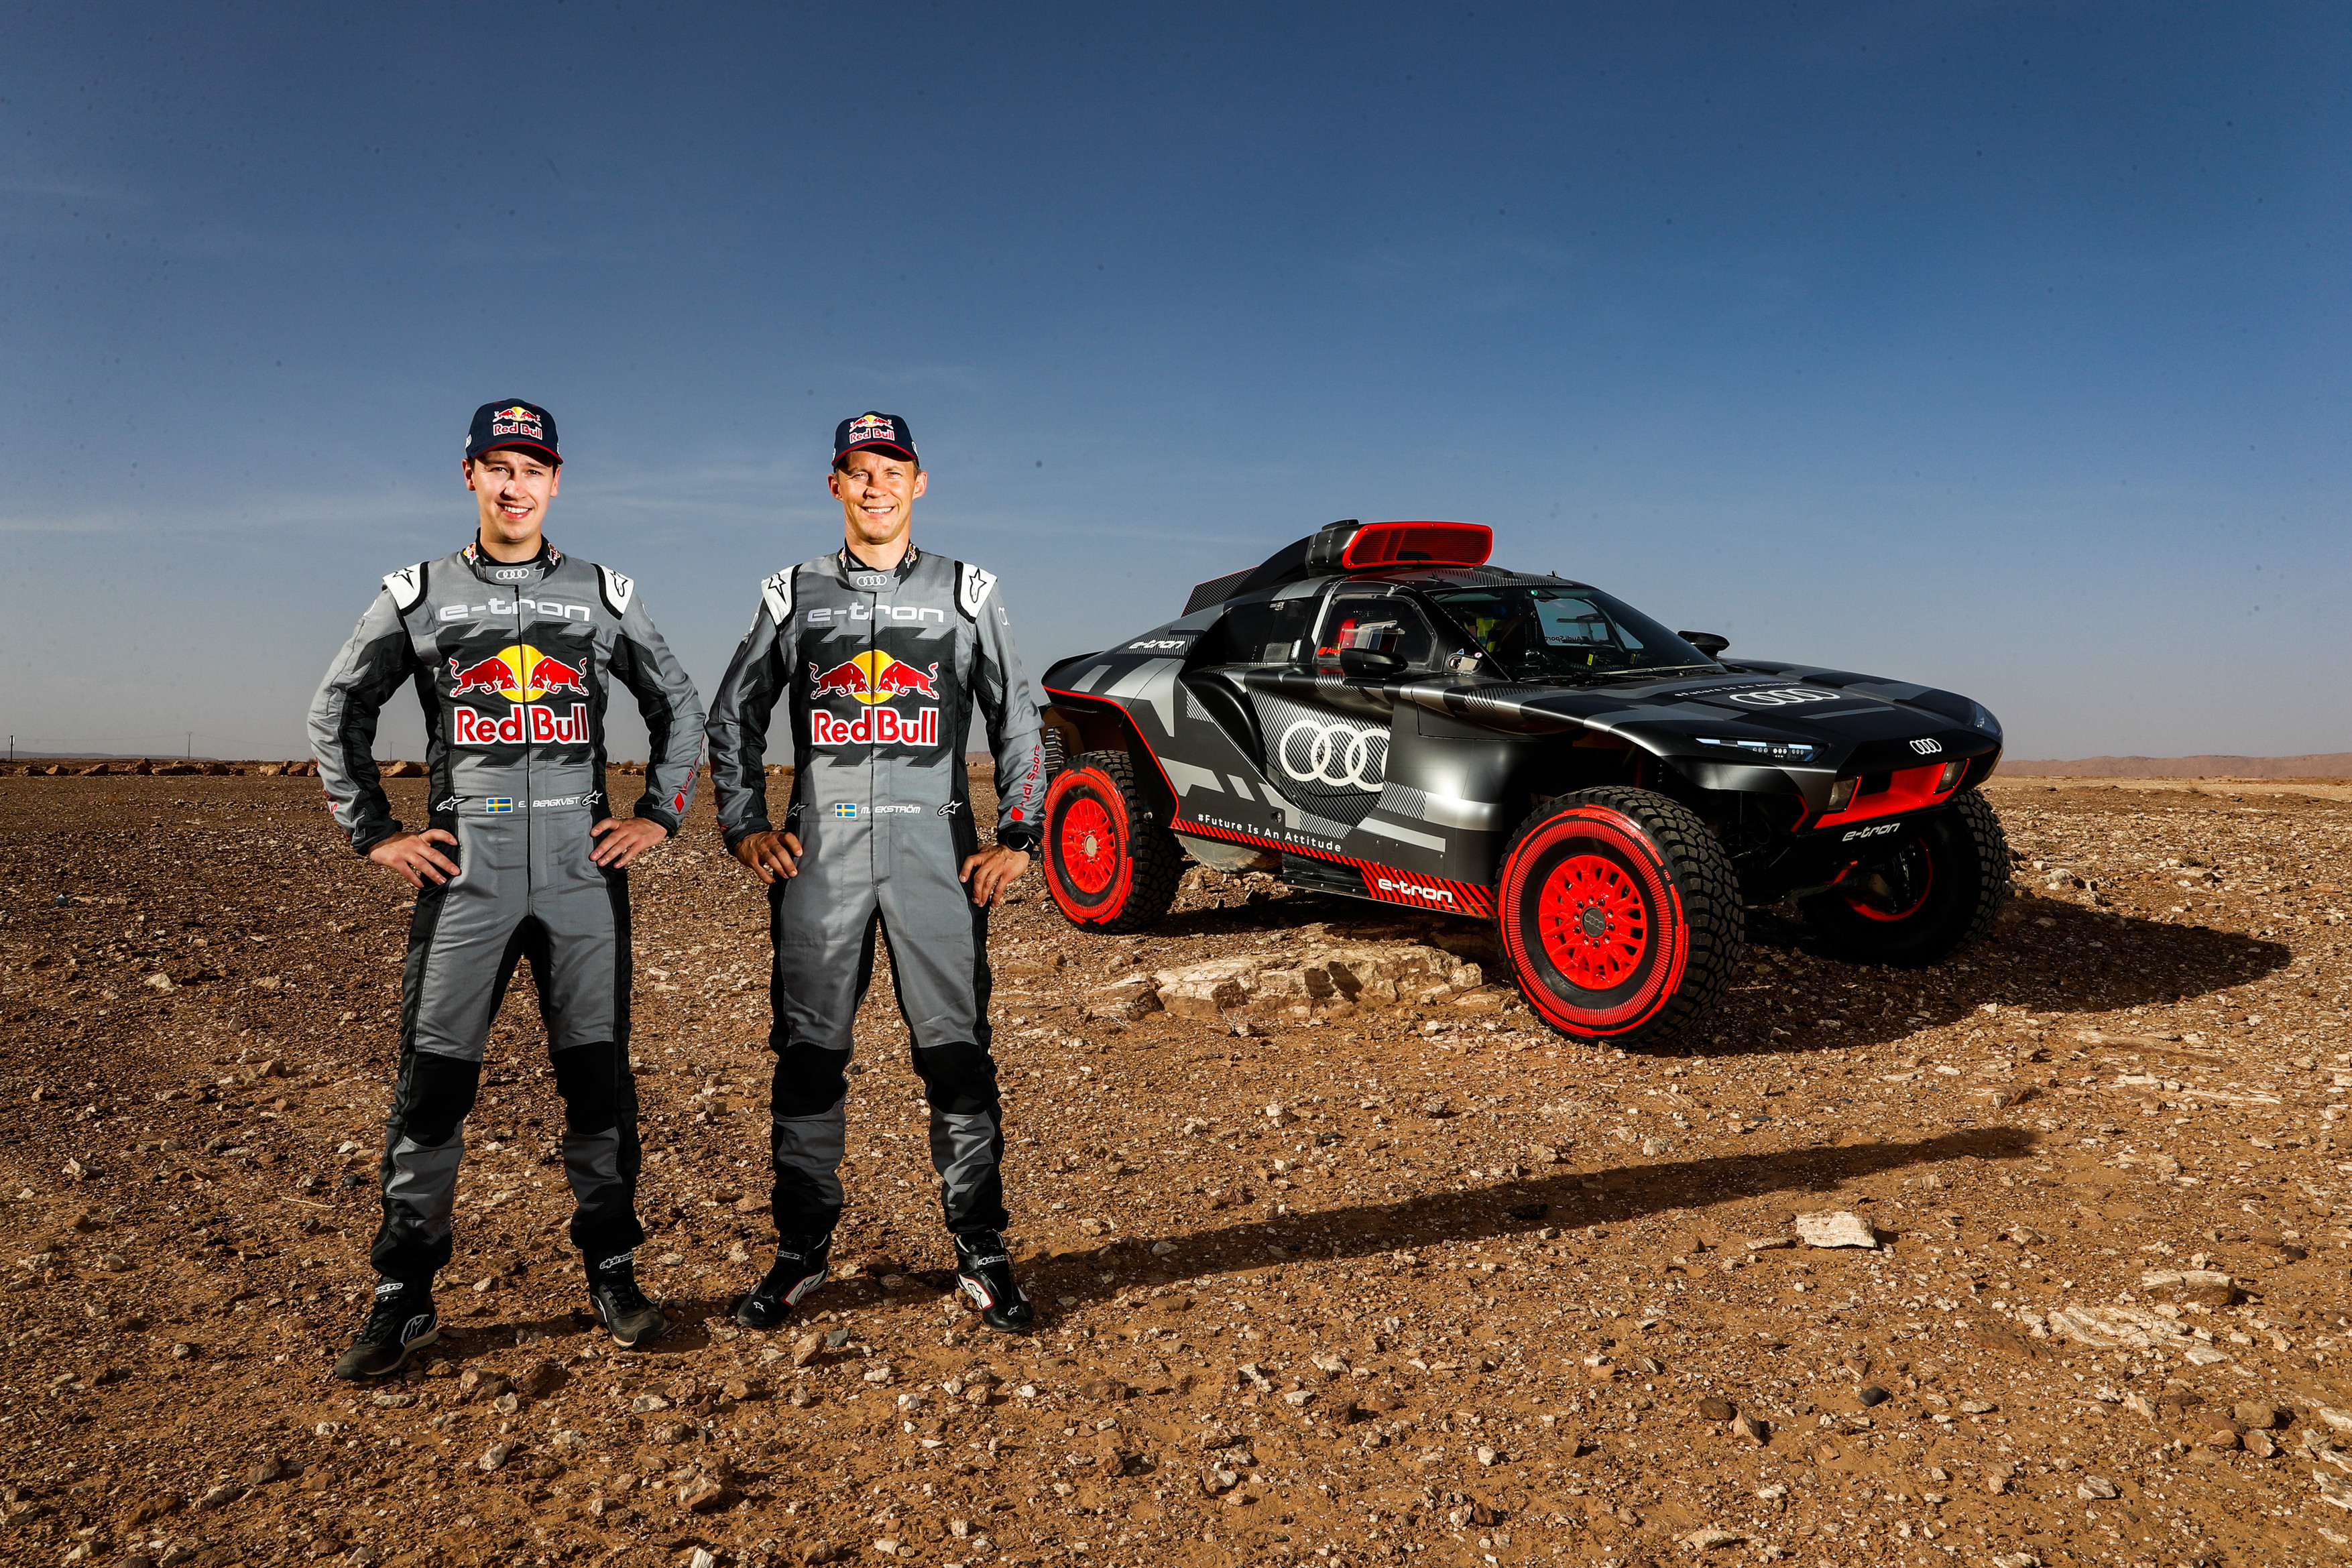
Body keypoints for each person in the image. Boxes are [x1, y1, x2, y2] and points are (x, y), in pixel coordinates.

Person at [308, 398, 706, 1378]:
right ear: (471, 475)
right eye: (499, 466)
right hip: (468, 873)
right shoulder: (418, 593)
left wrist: (660, 815)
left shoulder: (602, 593)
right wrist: (375, 834)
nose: (515, 484)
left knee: (596, 1083)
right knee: (434, 1085)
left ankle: (613, 1271)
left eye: (532, 468)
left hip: (581, 873)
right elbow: (337, 706)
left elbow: (678, 703)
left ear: (555, 482)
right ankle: (404, 1296)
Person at [705, 411, 1046, 1333]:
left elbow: (1018, 717)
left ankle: (982, 1251)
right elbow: (733, 714)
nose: (875, 487)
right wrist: (744, 825)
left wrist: (1019, 834)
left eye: (892, 471)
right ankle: (801, 1252)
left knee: (956, 1057)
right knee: (809, 1059)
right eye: (858, 471)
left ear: (918, 483)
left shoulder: (967, 591)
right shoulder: (793, 592)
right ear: (835, 485)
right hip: (822, 859)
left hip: (936, 854)